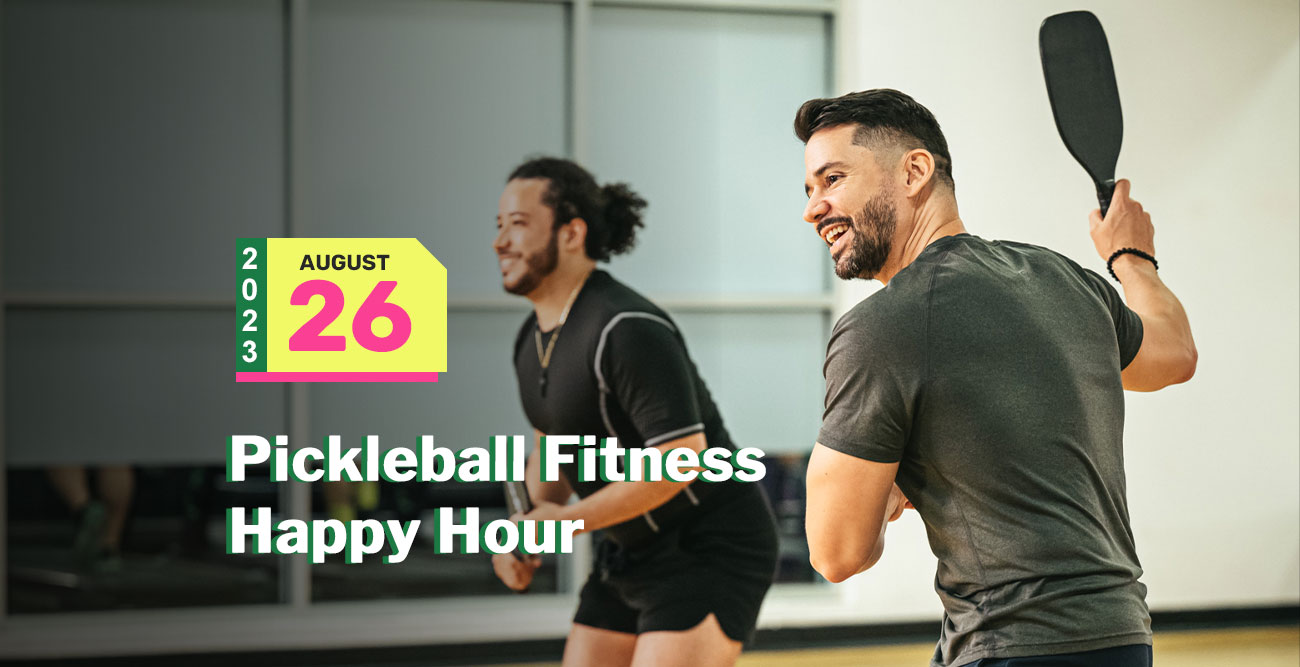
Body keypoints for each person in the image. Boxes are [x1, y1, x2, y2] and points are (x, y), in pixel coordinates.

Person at [794, 90, 1196, 667]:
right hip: (1121, 638)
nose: (814, 208)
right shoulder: (1063, 281)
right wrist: (1132, 257)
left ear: (914, 171)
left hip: (1012, 645)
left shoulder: (880, 329)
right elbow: (1174, 354)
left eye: (832, 179)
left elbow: (836, 553)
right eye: (809, 190)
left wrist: (884, 486)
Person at [488, 157, 778, 667]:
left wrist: (570, 521)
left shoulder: (627, 327)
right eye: (498, 226)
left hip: (706, 545)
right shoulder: (530, 341)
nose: (500, 242)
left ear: (571, 232)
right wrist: (524, 532)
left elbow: (682, 461)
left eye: (519, 225)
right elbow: (552, 449)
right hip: (627, 550)